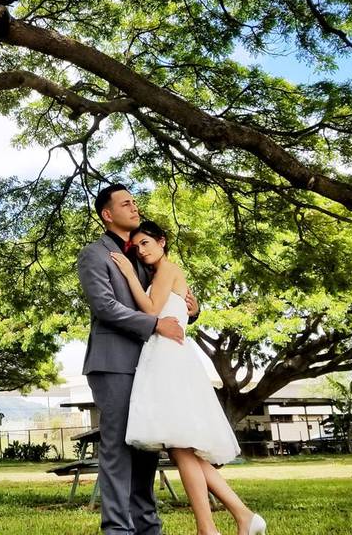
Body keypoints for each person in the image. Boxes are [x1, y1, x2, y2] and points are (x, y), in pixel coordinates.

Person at [110, 219, 266, 535]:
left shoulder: (167, 269)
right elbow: (176, 309)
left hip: (170, 360)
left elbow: (152, 311)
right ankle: (237, 517)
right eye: (136, 246)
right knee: (183, 449)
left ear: (162, 242)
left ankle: (213, 527)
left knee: (181, 447)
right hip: (163, 358)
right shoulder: (161, 274)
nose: (140, 251)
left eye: (146, 243)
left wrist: (128, 275)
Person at [77, 184, 196, 535]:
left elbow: (166, 299)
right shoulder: (93, 254)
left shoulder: (145, 253)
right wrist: (156, 324)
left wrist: (194, 307)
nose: (134, 206)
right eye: (125, 203)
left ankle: (148, 528)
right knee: (116, 449)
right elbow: (105, 307)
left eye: (135, 201)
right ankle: (117, 530)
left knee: (146, 446)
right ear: (107, 214)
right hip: (112, 362)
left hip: (150, 365)